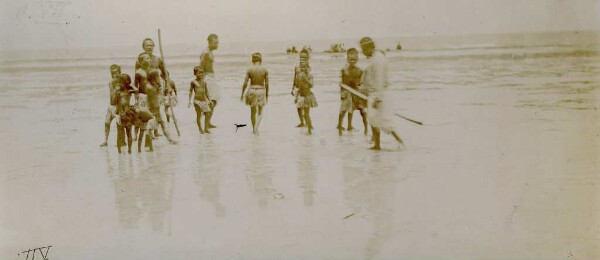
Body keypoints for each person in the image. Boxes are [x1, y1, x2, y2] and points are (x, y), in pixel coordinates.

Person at [359, 37, 403, 150]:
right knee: (373, 120)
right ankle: (377, 145)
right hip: (375, 93)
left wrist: (378, 98)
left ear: (369, 48)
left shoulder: (378, 60)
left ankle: (400, 141)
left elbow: (379, 80)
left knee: (384, 121)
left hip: (380, 94)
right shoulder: (375, 58)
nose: (362, 52)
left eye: (363, 49)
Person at [338, 48, 368, 136]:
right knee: (344, 111)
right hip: (347, 94)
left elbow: (362, 84)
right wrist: (342, 94)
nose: (352, 61)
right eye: (350, 59)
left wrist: (362, 92)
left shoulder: (360, 71)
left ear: (357, 59)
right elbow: (342, 83)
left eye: (354, 59)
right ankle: (341, 127)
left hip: (357, 93)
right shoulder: (344, 70)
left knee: (363, 111)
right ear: (347, 59)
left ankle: (366, 128)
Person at [147, 68, 177, 144]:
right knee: (149, 129)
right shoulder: (150, 88)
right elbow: (153, 101)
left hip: (157, 111)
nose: (159, 78)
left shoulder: (156, 86)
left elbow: (160, 95)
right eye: (158, 76)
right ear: (153, 78)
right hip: (152, 111)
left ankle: (170, 139)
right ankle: (148, 144)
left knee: (162, 124)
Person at [241, 53, 269, 135]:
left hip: (251, 91)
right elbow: (267, 84)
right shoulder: (264, 70)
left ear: (252, 60)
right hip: (261, 90)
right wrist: (267, 95)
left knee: (252, 112)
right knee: (260, 112)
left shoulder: (249, 70)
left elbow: (245, 83)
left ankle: (254, 128)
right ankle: (256, 128)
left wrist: (242, 94)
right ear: (261, 60)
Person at [199, 34, 220, 128]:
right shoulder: (206, 53)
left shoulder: (210, 52)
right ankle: (206, 124)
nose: (217, 45)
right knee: (212, 101)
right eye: (215, 43)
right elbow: (200, 67)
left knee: (214, 100)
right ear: (210, 42)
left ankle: (208, 122)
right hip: (207, 78)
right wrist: (201, 81)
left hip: (211, 77)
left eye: (217, 42)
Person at [100, 64, 122, 147]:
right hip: (111, 106)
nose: (114, 75)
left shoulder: (122, 82)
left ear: (120, 73)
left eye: (116, 73)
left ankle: (120, 141)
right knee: (106, 123)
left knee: (119, 125)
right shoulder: (111, 82)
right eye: (112, 73)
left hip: (119, 107)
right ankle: (105, 141)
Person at [114, 74, 136, 154]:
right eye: (119, 82)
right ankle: (119, 151)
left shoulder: (129, 91)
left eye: (121, 82)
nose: (120, 84)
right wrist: (115, 92)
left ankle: (129, 150)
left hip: (127, 113)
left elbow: (136, 90)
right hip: (119, 113)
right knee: (119, 133)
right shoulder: (119, 91)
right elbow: (114, 102)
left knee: (128, 132)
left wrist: (131, 85)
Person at [295, 59, 317, 135]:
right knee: (303, 113)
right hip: (302, 96)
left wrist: (306, 79)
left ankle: (309, 130)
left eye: (305, 68)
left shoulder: (310, 75)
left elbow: (312, 85)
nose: (303, 69)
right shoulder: (300, 75)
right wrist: (296, 96)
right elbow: (299, 87)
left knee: (306, 114)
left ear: (308, 68)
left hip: (308, 96)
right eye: (302, 68)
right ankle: (309, 126)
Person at [188, 66, 212, 134]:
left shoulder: (204, 82)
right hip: (197, 101)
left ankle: (206, 128)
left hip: (204, 100)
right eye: (199, 73)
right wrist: (189, 101)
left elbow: (206, 91)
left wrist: (209, 100)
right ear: (195, 74)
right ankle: (200, 129)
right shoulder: (193, 82)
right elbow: (190, 91)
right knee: (199, 115)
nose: (201, 74)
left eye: (202, 73)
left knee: (207, 113)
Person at [291, 49, 311, 127]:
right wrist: (292, 88)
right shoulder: (296, 67)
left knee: (306, 106)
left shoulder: (308, 68)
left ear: (308, 59)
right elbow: (294, 77)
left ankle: (307, 121)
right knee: (298, 106)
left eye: (305, 58)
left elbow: (309, 80)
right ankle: (302, 122)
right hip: (297, 89)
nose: (302, 60)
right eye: (301, 57)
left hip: (305, 90)